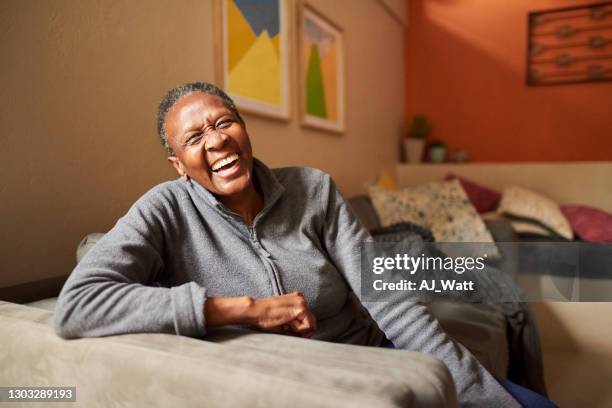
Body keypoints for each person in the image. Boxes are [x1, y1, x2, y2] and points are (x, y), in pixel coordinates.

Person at [55, 82, 532, 407]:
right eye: (194, 137)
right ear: (177, 164)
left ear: (244, 129)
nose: (216, 141)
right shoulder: (163, 210)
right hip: (290, 383)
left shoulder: (314, 189)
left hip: (373, 358)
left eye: (225, 123)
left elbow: (393, 306)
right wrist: (242, 309)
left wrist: (480, 396)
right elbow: (77, 305)